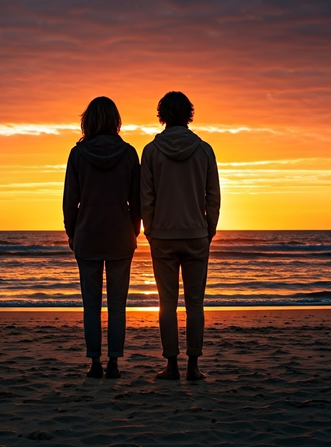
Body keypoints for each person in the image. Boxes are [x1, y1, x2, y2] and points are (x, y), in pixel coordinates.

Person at [141, 91, 220, 381]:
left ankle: (172, 366)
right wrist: (208, 228)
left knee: (167, 303)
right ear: (188, 114)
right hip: (196, 233)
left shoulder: (151, 151)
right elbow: (213, 196)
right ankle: (194, 367)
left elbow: (146, 197)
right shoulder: (203, 149)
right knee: (195, 303)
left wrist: (149, 229)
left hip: (162, 234)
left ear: (162, 115)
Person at [63, 96, 141, 379]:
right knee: (117, 306)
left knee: (91, 305)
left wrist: (72, 232)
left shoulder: (77, 154)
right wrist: (134, 229)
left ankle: (95, 363)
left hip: (88, 234)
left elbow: (70, 200)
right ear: (115, 120)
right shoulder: (130, 153)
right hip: (120, 234)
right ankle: (114, 363)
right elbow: (137, 200)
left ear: (88, 120)